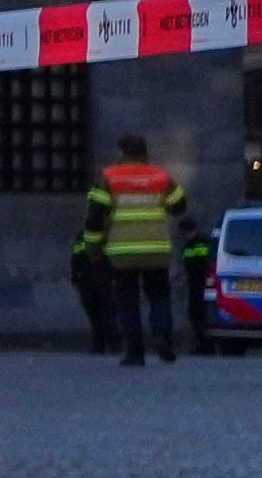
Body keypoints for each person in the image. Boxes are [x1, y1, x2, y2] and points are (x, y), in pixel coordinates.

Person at [82, 137, 191, 367]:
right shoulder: (160, 177)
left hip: (122, 253)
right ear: (145, 153)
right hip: (156, 250)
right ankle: (163, 337)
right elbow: (179, 205)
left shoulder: (108, 178)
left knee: (127, 302)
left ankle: (135, 352)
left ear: (121, 152)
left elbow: (94, 218)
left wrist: (94, 250)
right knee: (159, 297)